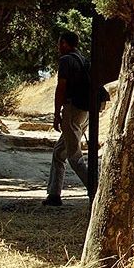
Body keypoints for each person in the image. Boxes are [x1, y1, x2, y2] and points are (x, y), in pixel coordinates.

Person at [43, 31, 90, 206]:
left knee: (74, 156)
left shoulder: (65, 61)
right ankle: (54, 195)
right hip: (85, 111)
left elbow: (61, 88)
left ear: (64, 43)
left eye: (59, 43)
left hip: (73, 109)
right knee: (59, 152)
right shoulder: (83, 60)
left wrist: (57, 114)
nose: (58, 47)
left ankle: (96, 190)